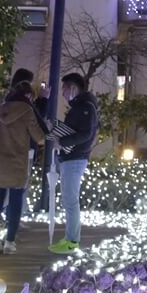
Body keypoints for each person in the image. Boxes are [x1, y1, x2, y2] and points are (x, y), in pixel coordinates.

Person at [0, 77, 48, 253]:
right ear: (27, 95)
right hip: (17, 164)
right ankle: (10, 242)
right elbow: (39, 137)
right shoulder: (27, 111)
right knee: (15, 203)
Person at [50, 72, 98, 252]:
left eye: (64, 88)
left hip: (75, 158)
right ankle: (70, 238)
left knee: (70, 201)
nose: (62, 92)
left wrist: (62, 142)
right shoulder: (81, 106)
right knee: (69, 200)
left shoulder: (85, 107)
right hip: (71, 157)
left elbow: (86, 134)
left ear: (73, 88)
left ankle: (72, 240)